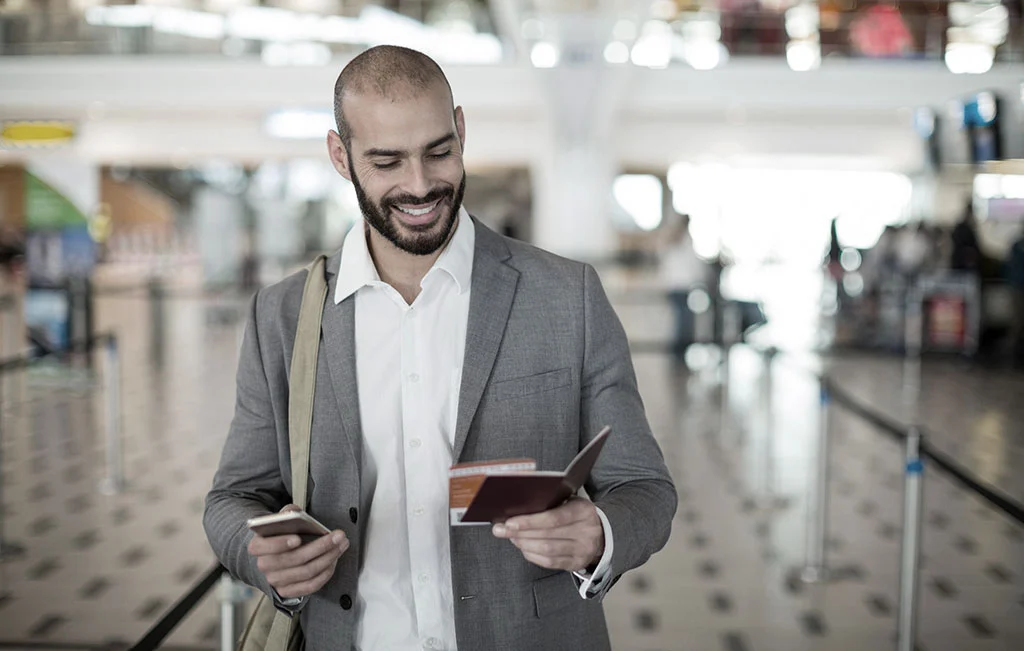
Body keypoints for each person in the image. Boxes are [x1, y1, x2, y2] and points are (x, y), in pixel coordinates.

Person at [204, 45, 676, 651]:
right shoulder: (283, 315)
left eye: (438, 152)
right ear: (340, 156)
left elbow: (644, 486)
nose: (421, 185)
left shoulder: (567, 296)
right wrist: (259, 553)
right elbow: (232, 497)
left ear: (460, 129)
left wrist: (601, 533)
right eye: (387, 161)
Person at [659, 212, 707, 360]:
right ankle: (678, 352)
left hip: (679, 286)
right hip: (678, 287)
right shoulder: (680, 240)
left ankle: (680, 351)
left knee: (683, 320)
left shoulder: (678, 240)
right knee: (683, 320)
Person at [1008, 225, 1024, 365]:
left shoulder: (1016, 245)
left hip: (1016, 285)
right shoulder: (1018, 246)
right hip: (1018, 287)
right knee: (1018, 321)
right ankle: (1013, 353)